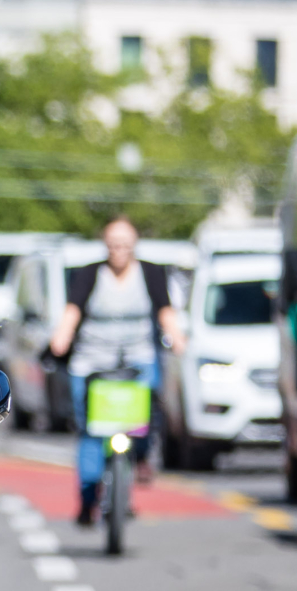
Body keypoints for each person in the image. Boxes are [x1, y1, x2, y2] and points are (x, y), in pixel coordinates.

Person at [47, 216, 187, 527]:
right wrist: (62, 336)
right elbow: (73, 311)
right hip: (92, 362)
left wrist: (178, 339)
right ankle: (87, 500)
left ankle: (136, 464)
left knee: (146, 415)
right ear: (105, 246)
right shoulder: (89, 274)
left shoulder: (150, 272)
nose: (119, 251)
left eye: (124, 245)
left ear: (134, 246)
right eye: (113, 245)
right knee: (91, 432)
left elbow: (165, 311)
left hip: (138, 359)